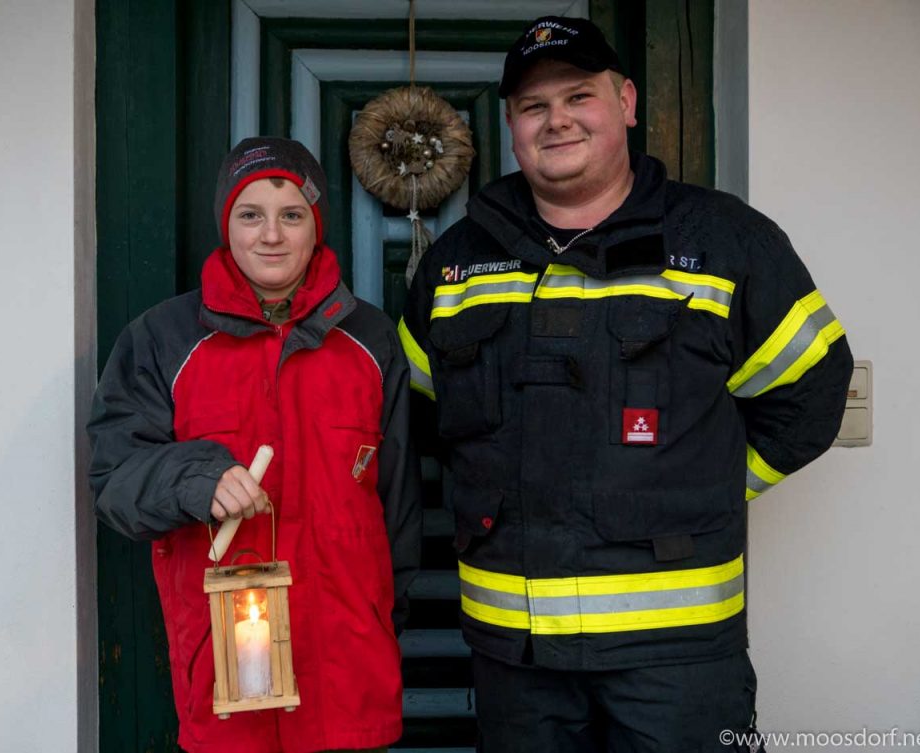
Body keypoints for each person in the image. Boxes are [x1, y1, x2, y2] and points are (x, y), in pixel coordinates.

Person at [399, 15, 852, 753]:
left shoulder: (724, 242)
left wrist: (709, 485)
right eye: (534, 106)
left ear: (627, 102)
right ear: (512, 126)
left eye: (579, 96)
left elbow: (812, 392)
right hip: (516, 655)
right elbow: (421, 416)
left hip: (679, 658)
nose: (557, 120)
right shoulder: (457, 263)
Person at [89, 136, 421, 753]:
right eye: (251, 215)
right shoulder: (162, 338)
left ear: (316, 227)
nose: (271, 235)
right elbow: (114, 480)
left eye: (291, 215)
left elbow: (398, 508)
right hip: (225, 673)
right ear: (226, 224)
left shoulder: (371, 339)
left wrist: (379, 621)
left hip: (347, 669)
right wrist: (197, 478)